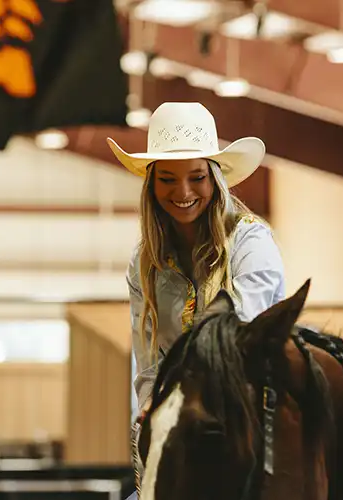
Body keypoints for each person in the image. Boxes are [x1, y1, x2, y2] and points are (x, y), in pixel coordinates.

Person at [106, 102, 287, 495]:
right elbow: (149, 361)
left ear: (214, 179)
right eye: (168, 179)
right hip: (184, 422)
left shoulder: (250, 242)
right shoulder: (145, 263)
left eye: (197, 177)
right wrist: (151, 408)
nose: (183, 192)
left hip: (253, 416)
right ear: (152, 186)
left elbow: (238, 335)